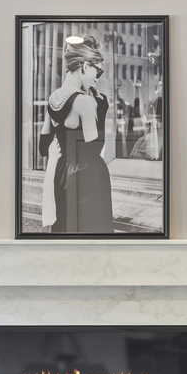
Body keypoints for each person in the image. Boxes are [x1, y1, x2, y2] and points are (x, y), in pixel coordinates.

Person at [42, 35, 114, 233]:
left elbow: (42, 147)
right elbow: (94, 149)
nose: (96, 78)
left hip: (62, 174)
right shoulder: (85, 102)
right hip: (87, 177)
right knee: (91, 232)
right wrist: (102, 109)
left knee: (66, 229)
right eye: (97, 70)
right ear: (84, 66)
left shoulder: (53, 99)